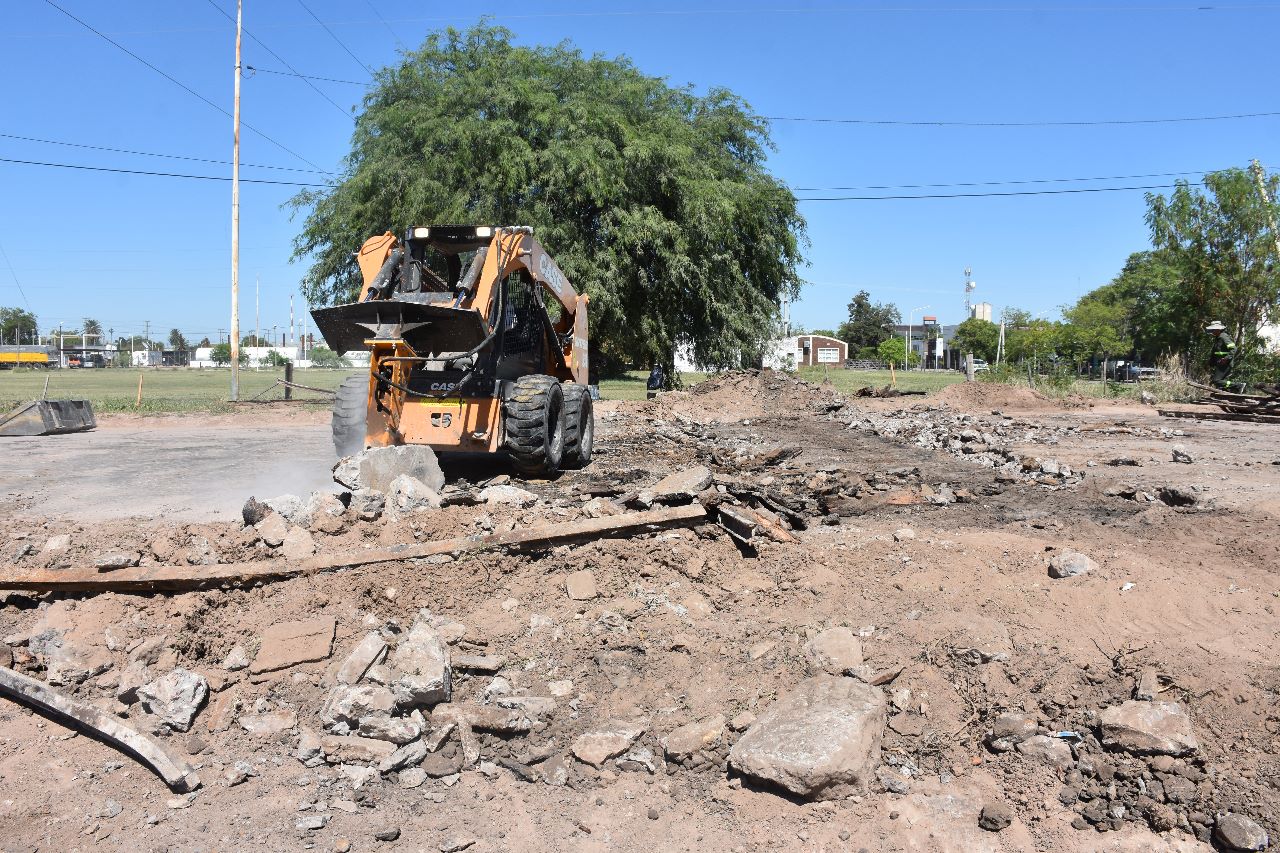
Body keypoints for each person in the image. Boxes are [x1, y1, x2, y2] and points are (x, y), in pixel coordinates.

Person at [1205, 321, 1237, 390]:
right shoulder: (1218, 338)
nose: (1212, 331)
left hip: (1225, 364)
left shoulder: (1223, 337)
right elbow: (1216, 353)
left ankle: (1238, 386)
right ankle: (1228, 393)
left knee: (1216, 380)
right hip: (1220, 364)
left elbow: (1233, 349)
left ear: (1218, 329)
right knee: (1220, 384)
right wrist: (1210, 363)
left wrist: (1226, 359)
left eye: (1213, 329)